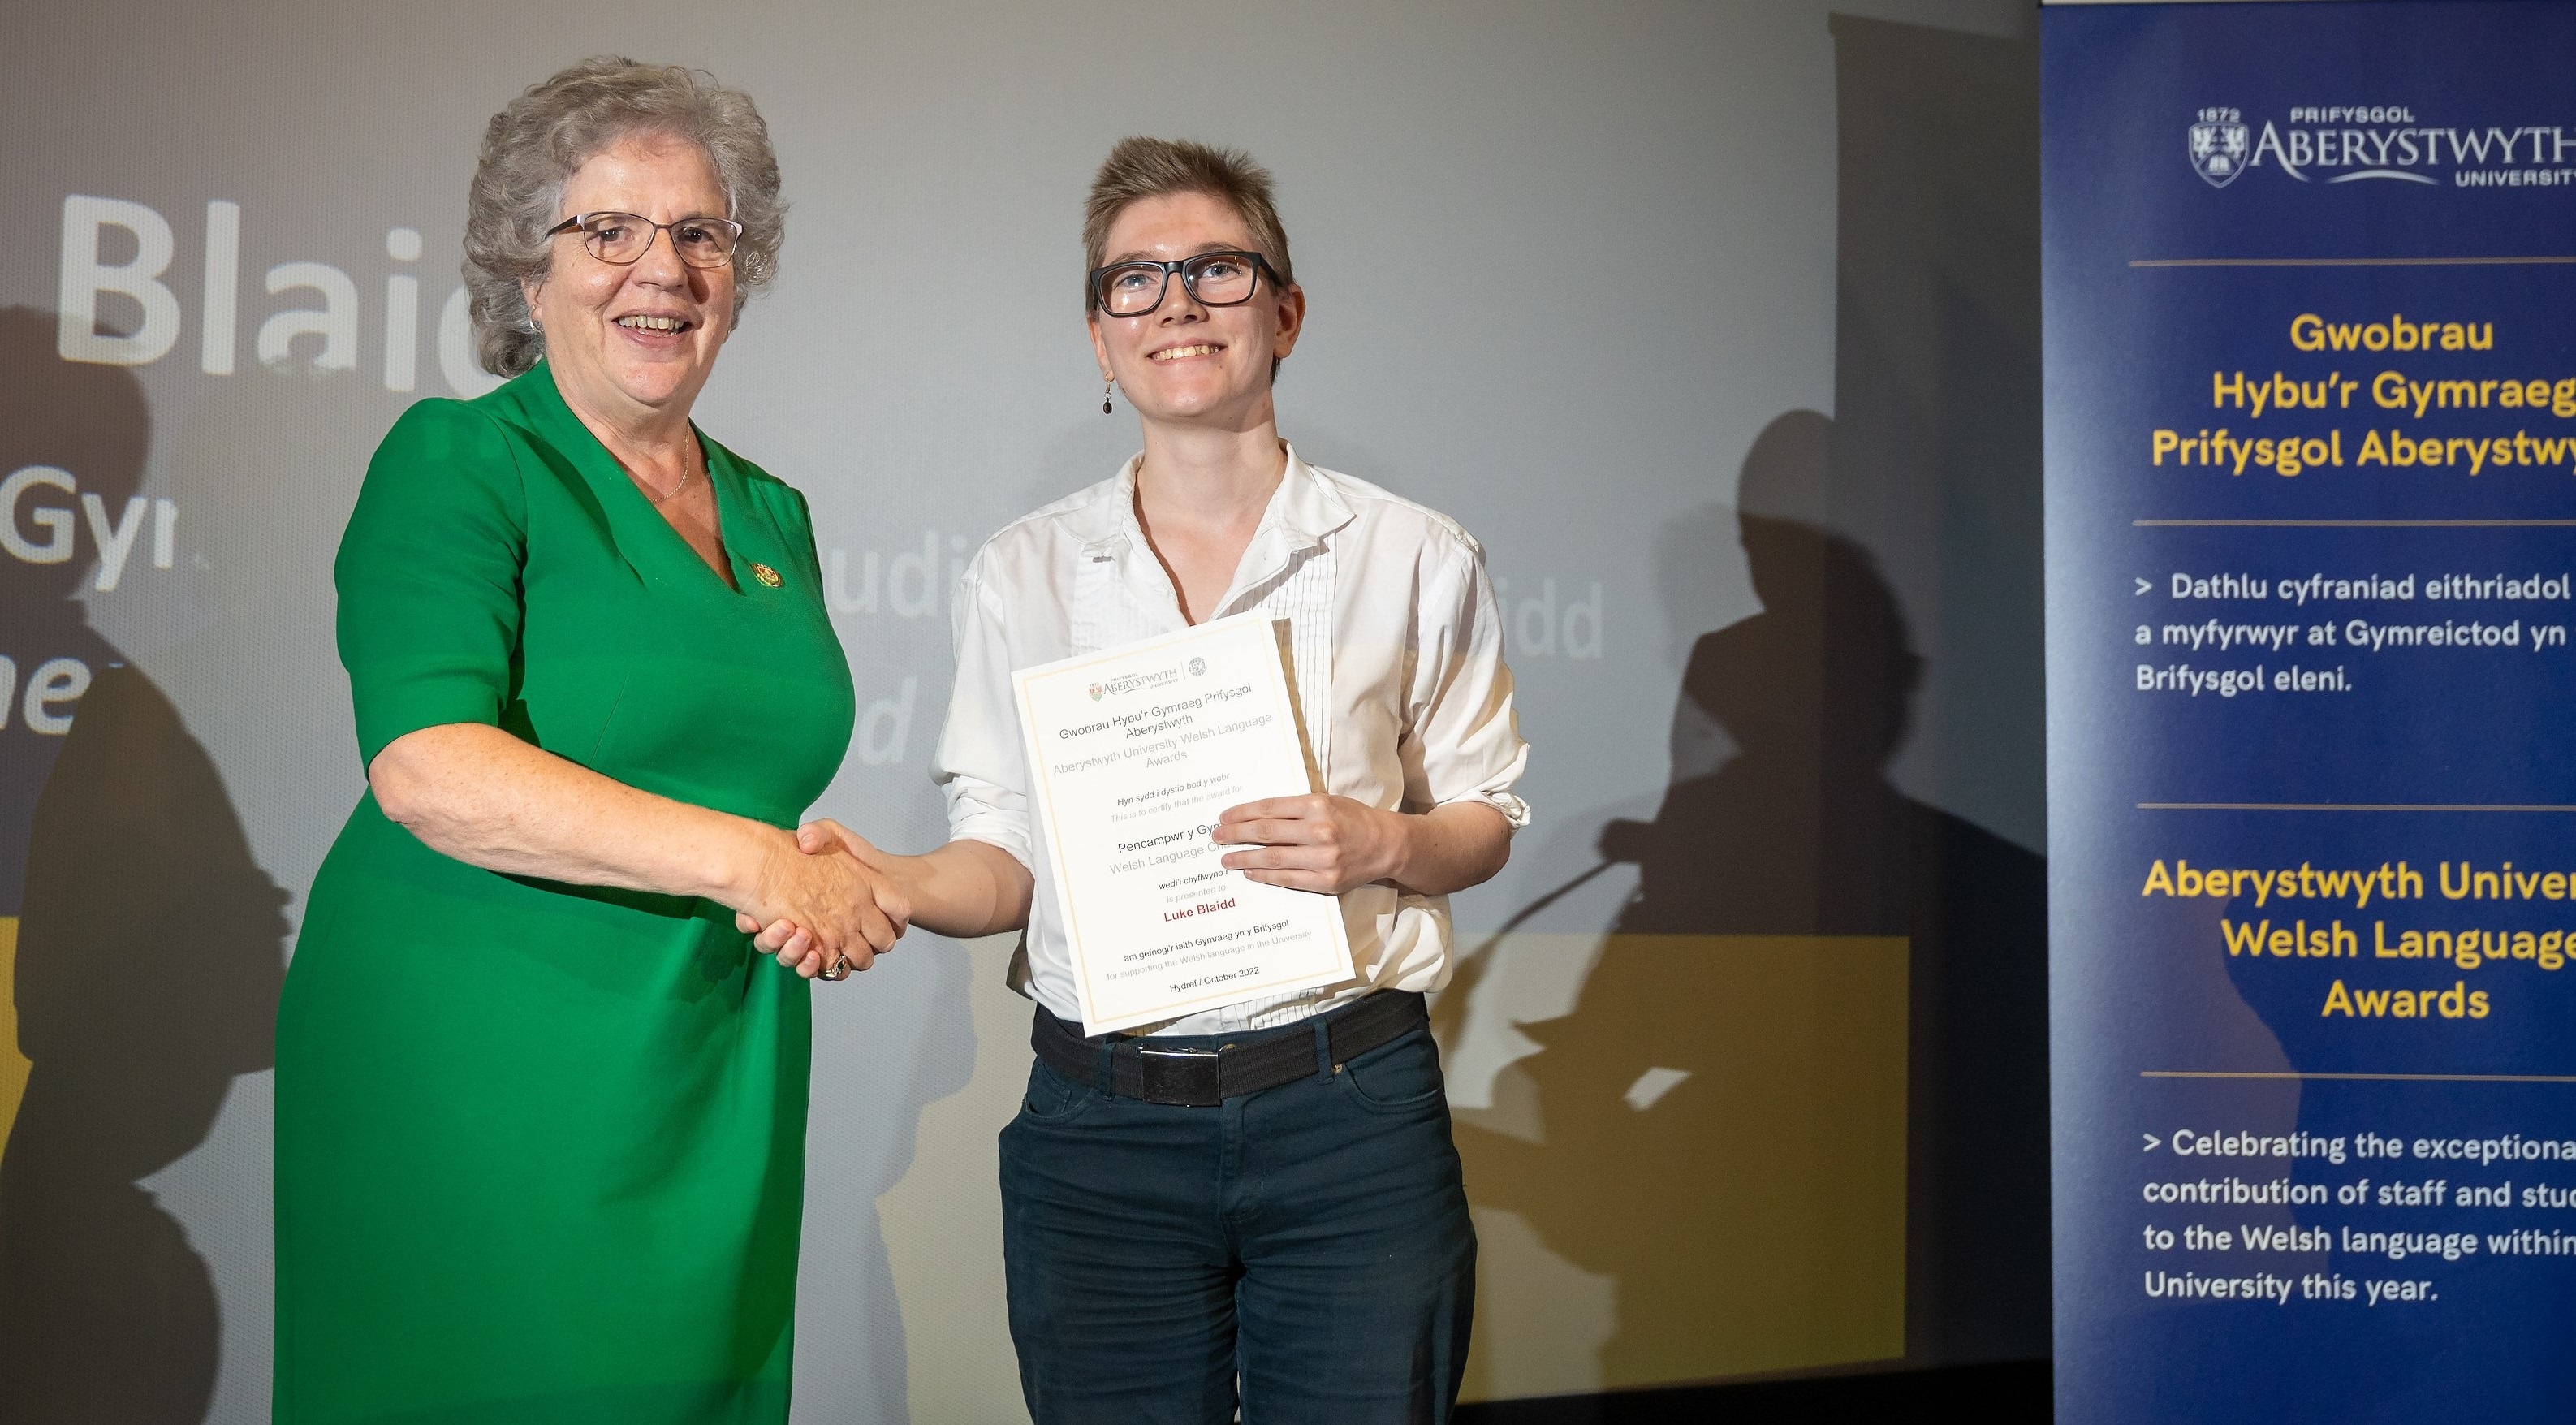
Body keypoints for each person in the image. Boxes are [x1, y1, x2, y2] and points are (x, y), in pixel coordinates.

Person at [756, 136, 1529, 1423]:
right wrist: (890, 880)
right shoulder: (1026, 571)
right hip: (1099, 1128)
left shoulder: (1414, 554)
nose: (1175, 301)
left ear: (1284, 312)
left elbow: (1482, 819)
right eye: (1134, 281)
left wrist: (1379, 844)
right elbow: (1000, 853)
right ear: (1099, 340)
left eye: (1216, 269)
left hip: (1348, 1113)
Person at [273, 58, 904, 1425]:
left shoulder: (773, 512)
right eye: (605, 231)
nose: (658, 269)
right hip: (479, 1053)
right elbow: (429, 767)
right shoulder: (460, 460)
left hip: (706, 1054)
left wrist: (819, 873)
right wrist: (755, 865)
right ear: (525, 273)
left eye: (698, 233)